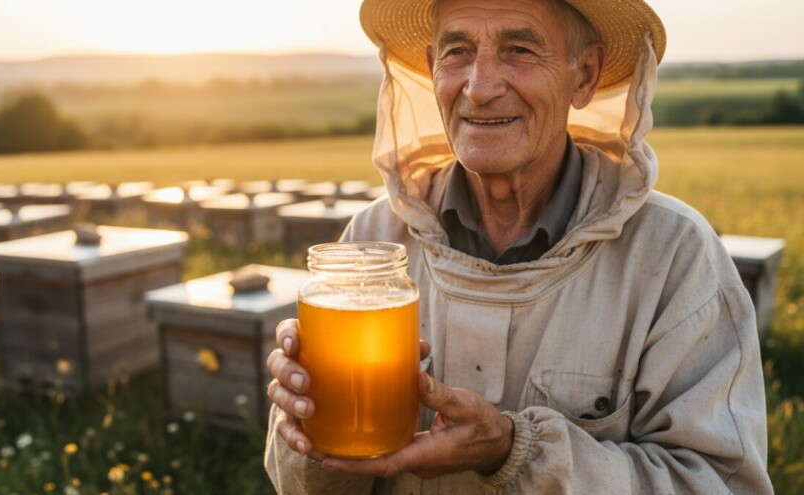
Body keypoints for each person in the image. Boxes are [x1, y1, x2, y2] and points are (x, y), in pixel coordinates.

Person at [264, 0, 774, 492]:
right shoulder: (373, 242)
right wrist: (306, 424)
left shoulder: (674, 255)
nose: (480, 88)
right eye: (457, 51)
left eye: (520, 50)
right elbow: (304, 488)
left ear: (585, 75)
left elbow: (719, 484)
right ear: (430, 69)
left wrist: (514, 452)